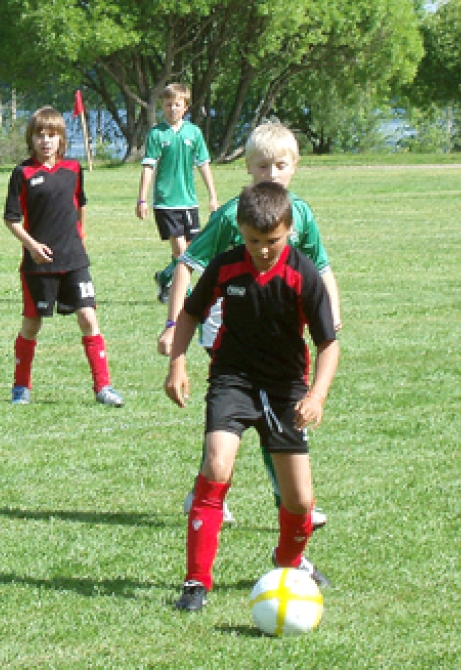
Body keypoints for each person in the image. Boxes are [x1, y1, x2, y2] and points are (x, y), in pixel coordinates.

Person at [164, 181, 340, 613]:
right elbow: (190, 313)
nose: (262, 249)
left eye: (272, 241)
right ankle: (195, 582)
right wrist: (178, 362)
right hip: (233, 379)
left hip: (286, 391)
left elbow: (328, 344)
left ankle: (288, 562)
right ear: (240, 230)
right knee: (216, 464)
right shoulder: (225, 267)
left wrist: (316, 395)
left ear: (289, 231)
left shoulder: (304, 275)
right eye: (254, 240)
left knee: (299, 500)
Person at [162, 121, 341, 529]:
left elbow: (321, 266)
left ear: (294, 166)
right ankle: (288, 503)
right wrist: (173, 325)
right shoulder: (232, 215)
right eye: (263, 167)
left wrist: (333, 310)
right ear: (247, 168)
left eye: (280, 166)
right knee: (253, 413)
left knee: (272, 416)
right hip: (230, 326)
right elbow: (187, 264)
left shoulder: (301, 214)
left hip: (279, 331)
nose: (272, 175)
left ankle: (212, 492)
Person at [4, 106, 124, 408]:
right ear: (31, 138)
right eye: (40, 135)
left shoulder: (73, 169)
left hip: (74, 261)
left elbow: (80, 205)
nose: (46, 141)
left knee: (88, 316)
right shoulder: (23, 173)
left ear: (61, 139)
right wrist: (32, 246)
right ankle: (21, 386)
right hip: (38, 266)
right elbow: (11, 219)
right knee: (32, 325)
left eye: (52, 135)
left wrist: (79, 237)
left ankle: (103, 387)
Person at [136, 84, 218, 304]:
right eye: (168, 104)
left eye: (177, 104)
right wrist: (142, 198)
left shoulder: (193, 133)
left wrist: (212, 196)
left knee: (191, 250)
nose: (172, 108)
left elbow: (203, 164)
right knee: (181, 249)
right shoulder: (156, 134)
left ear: (185, 107)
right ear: (162, 106)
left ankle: (165, 277)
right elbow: (148, 167)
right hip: (165, 202)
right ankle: (187, 294)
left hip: (188, 201)